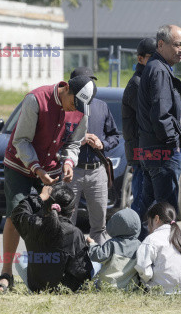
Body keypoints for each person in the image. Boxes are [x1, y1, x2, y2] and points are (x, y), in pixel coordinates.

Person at [0, 75, 96, 293]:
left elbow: (75, 143)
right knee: (17, 214)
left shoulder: (82, 109)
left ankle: (56, 272)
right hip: (20, 163)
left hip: (51, 166)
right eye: (73, 103)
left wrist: (68, 161)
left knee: (56, 215)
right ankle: (6, 273)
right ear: (65, 88)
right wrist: (37, 169)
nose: (74, 109)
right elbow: (21, 140)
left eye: (80, 106)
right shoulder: (36, 100)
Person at [136, 25, 181, 239]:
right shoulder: (158, 70)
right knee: (167, 213)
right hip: (162, 152)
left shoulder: (158, 67)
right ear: (161, 44)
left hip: (152, 150)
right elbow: (161, 114)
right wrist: (174, 142)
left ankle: (136, 258)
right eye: (177, 44)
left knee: (147, 210)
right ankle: (166, 263)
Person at [68, 67, 119, 245]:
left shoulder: (101, 106)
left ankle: (98, 261)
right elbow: (56, 140)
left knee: (99, 225)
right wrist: (78, 140)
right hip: (72, 172)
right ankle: (68, 258)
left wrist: (102, 144)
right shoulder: (66, 107)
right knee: (66, 221)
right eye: (86, 81)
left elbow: (115, 136)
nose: (91, 85)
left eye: (92, 81)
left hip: (97, 172)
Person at [11, 184, 92, 292]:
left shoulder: (33, 223)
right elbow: (82, 271)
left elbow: (17, 212)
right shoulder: (74, 233)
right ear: (72, 210)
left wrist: (40, 197)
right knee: (96, 263)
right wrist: (91, 248)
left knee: (20, 259)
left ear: (48, 205)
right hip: (64, 289)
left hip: (36, 286)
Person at [122, 38, 156, 214]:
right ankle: (137, 240)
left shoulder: (148, 79)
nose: (156, 61)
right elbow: (151, 117)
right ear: (140, 58)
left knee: (150, 203)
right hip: (141, 153)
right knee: (141, 204)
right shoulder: (137, 83)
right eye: (152, 57)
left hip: (149, 152)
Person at [135, 202, 181, 294]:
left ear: (156, 219)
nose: (148, 227)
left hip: (159, 290)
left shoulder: (151, 240)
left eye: (149, 222)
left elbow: (144, 269)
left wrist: (143, 281)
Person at [88, 208, 142, 290]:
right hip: (128, 288)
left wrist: (92, 244)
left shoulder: (112, 243)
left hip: (106, 286)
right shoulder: (139, 245)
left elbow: (98, 256)